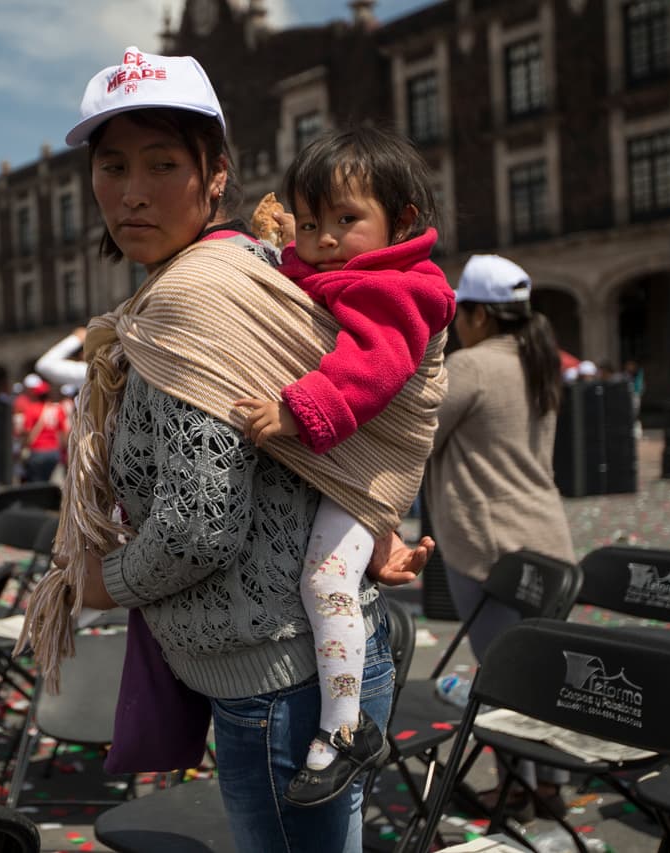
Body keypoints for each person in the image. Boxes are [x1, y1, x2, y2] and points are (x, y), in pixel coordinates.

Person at [19, 47, 438, 853]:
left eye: (163, 162)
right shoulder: (236, 271)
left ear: (215, 174)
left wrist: (95, 581)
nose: (132, 191)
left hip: (280, 685)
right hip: (295, 667)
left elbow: (200, 523)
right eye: (111, 167)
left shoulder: (192, 299)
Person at [231, 125, 455, 804]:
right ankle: (343, 723)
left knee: (325, 578)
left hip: (371, 470)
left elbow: (375, 364)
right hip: (352, 469)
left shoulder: (398, 287)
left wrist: (300, 410)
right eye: (310, 223)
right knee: (327, 575)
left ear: (403, 221)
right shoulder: (339, 269)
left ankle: (345, 729)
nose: (323, 238)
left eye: (346, 220)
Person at [424, 254, 575, 821]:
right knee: (547, 674)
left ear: (480, 314)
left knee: (502, 677)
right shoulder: (538, 361)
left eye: (460, 311)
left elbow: (418, 437)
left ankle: (515, 790)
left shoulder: (472, 367)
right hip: (547, 534)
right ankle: (550, 787)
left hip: (488, 545)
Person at [13, 374, 69, 483]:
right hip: (54, 452)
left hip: (37, 452)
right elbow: (64, 433)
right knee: (54, 483)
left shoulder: (31, 409)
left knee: (36, 483)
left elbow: (26, 431)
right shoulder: (57, 409)